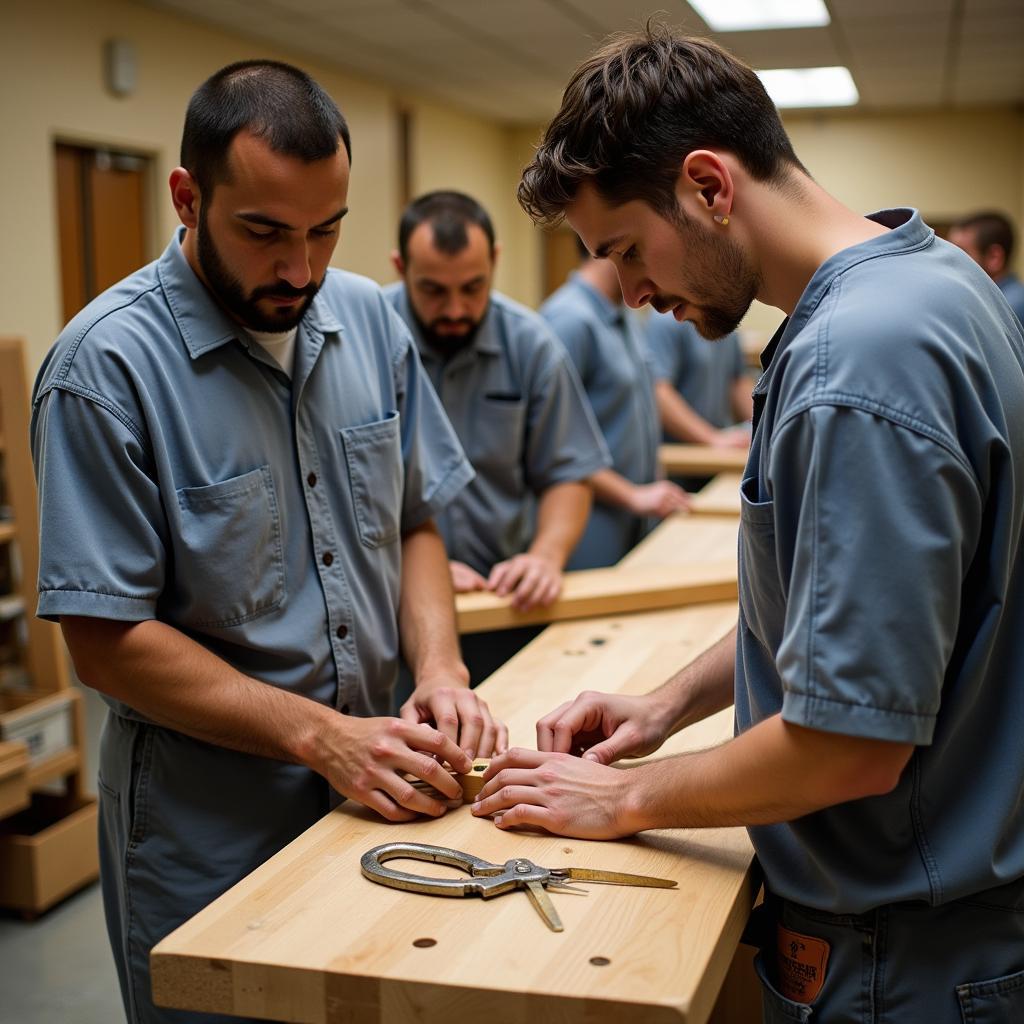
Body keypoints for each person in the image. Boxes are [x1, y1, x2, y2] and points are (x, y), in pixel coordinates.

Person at [471, 27, 1024, 1020]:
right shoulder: (932, 278)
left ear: (708, 187)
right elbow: (847, 610)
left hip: (901, 956)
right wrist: (664, 705)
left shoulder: (852, 363)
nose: (634, 296)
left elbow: (847, 744)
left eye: (628, 251)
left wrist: (625, 797)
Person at [31, 61, 505, 1024]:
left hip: (380, 787)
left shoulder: (373, 319)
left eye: (326, 229)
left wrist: (443, 667)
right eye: (264, 232)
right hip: (211, 827)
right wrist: (320, 736)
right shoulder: (104, 369)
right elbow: (103, 640)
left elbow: (415, 519)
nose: (302, 268)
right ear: (187, 197)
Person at [385, 191, 610, 681]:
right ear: (400, 267)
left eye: (473, 287)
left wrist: (545, 556)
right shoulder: (366, 339)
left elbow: (568, 472)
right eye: (433, 291)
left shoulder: (530, 344)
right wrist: (415, 569)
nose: (456, 309)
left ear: (495, 260)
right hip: (391, 610)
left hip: (504, 602)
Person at [540, 238, 689, 568]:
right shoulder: (569, 320)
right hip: (591, 520)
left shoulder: (623, 314)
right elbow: (554, 445)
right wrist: (632, 495)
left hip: (634, 511)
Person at [646, 311, 753, 447]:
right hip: (679, 454)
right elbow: (659, 392)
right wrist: (712, 438)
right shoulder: (666, 320)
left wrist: (764, 427)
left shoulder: (724, 320)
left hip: (716, 449)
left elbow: (737, 381)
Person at [948, 210, 1024, 324]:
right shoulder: (990, 301)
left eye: (961, 253)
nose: (949, 262)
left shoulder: (1009, 308)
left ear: (994, 258)